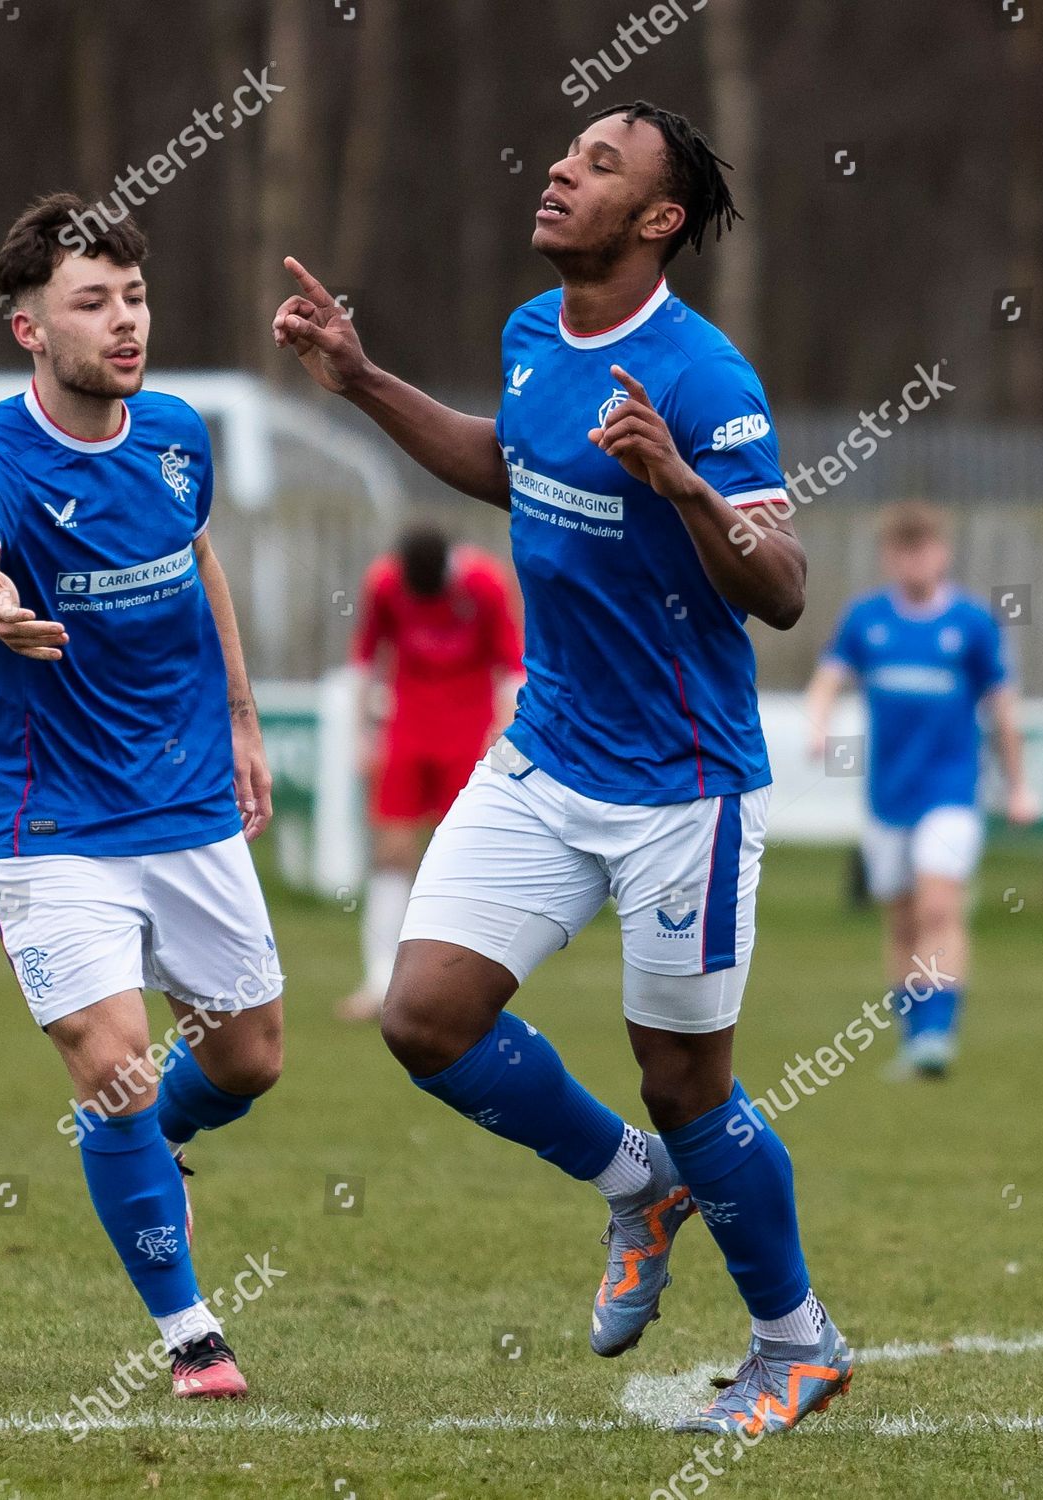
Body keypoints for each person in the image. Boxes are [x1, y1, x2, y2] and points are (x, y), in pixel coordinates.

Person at [273, 100, 853, 1437]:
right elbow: (509, 461)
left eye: (599, 165)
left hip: (682, 787)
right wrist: (361, 380)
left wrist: (684, 486)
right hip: (544, 755)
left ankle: (796, 1340)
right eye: (565, 151)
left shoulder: (703, 378)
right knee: (422, 1018)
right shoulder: (534, 337)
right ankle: (633, 1187)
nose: (558, 168)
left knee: (686, 1083)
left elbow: (783, 591)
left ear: (657, 222)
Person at [0, 194, 283, 1400]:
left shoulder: (178, 432)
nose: (123, 321)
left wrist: (240, 716)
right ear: (29, 328)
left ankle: (160, 1143)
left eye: (132, 296)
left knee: (249, 1058)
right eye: (92, 302)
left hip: (183, 796)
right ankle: (193, 1336)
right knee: (114, 1063)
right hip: (47, 816)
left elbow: (196, 556)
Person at [805, 500, 1038, 1076]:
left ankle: (937, 1036)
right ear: (889, 557)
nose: (914, 561)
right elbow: (828, 680)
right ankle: (915, 1039)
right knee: (902, 920)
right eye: (902, 550)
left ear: (943, 553)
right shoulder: (866, 620)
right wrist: (817, 725)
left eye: (924, 548)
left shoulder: (972, 624)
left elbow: (1003, 708)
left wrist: (1019, 786)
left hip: (952, 790)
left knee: (939, 906)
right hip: (888, 795)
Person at [339, 523, 522, 1022]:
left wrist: (505, 742)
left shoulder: (486, 584)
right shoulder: (384, 583)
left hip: (470, 737)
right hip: (406, 732)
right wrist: (363, 736)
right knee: (393, 851)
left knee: (461, 862)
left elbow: (510, 667)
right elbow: (364, 661)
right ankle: (379, 981)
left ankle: (458, 986)